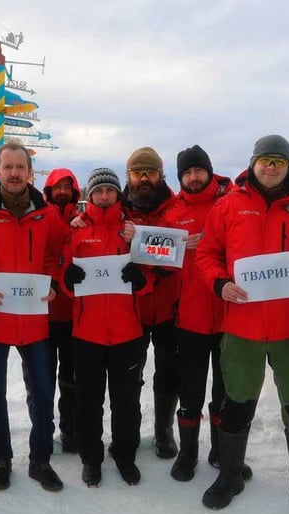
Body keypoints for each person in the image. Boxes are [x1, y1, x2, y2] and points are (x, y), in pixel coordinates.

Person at [196, 135, 289, 514]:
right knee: (237, 404)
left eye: (279, 161)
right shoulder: (228, 205)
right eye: (265, 160)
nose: (271, 167)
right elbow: (207, 253)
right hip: (242, 325)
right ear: (253, 163)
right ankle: (230, 475)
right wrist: (219, 283)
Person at [0, 142, 68, 492]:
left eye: (21, 167)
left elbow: (59, 251)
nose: (15, 173)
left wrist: (53, 281)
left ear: (30, 173)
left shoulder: (47, 214)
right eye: (8, 167)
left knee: (43, 392)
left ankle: (40, 460)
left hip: (33, 319)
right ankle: (2, 459)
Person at [162, 145, 251, 483]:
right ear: (180, 177)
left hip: (230, 313)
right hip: (191, 316)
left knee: (225, 390)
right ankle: (188, 453)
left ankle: (221, 451)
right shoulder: (172, 213)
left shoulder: (232, 203)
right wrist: (176, 248)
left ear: (210, 171)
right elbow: (156, 260)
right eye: (187, 172)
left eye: (198, 170)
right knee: (191, 389)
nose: (194, 177)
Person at [61, 168, 151, 486]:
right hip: (88, 332)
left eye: (109, 191)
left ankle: (125, 455)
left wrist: (140, 280)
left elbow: (151, 275)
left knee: (126, 402)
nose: (103, 196)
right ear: (90, 194)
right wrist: (68, 279)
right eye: (98, 191)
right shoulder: (76, 230)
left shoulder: (132, 231)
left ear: (117, 194)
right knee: (88, 402)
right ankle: (91, 458)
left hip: (127, 331)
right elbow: (63, 275)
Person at [122, 146, 180, 459]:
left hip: (171, 308)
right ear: (128, 176)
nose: (144, 178)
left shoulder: (177, 207)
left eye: (151, 172)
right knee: (130, 374)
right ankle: (129, 431)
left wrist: (162, 267)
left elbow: (186, 250)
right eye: (138, 173)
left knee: (169, 373)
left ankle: (164, 431)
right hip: (132, 309)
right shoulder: (118, 210)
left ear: (161, 175)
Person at [41, 168, 82, 453]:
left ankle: (70, 431)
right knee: (41, 383)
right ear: (49, 191)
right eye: (58, 187)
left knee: (71, 381)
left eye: (68, 187)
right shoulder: (39, 219)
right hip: (41, 314)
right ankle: (42, 433)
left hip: (73, 316)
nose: (63, 191)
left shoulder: (82, 222)